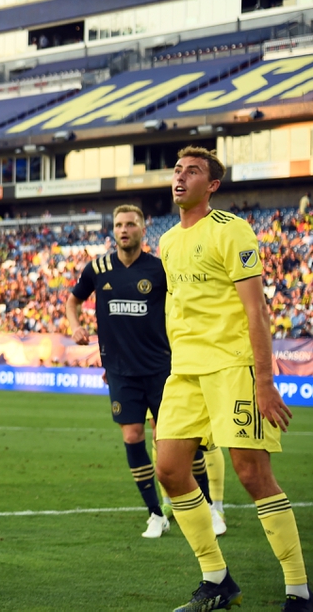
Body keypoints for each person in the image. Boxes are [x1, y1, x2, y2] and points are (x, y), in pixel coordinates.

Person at [156, 146, 309, 612]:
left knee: (252, 473)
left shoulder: (232, 230)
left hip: (231, 366)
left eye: (193, 171)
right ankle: (217, 580)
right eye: (178, 170)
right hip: (184, 370)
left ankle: (300, 592)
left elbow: (256, 310)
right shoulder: (165, 241)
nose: (181, 177)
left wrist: (264, 379)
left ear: (213, 185)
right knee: (170, 471)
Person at [67, 205, 200, 540]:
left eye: (130, 224)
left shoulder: (159, 269)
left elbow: (183, 305)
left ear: (143, 228)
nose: (124, 229)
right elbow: (73, 301)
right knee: (132, 436)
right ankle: (156, 514)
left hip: (162, 369)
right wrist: (75, 326)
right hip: (120, 371)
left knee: (173, 440)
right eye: (118, 224)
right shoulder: (98, 268)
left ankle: (209, 506)